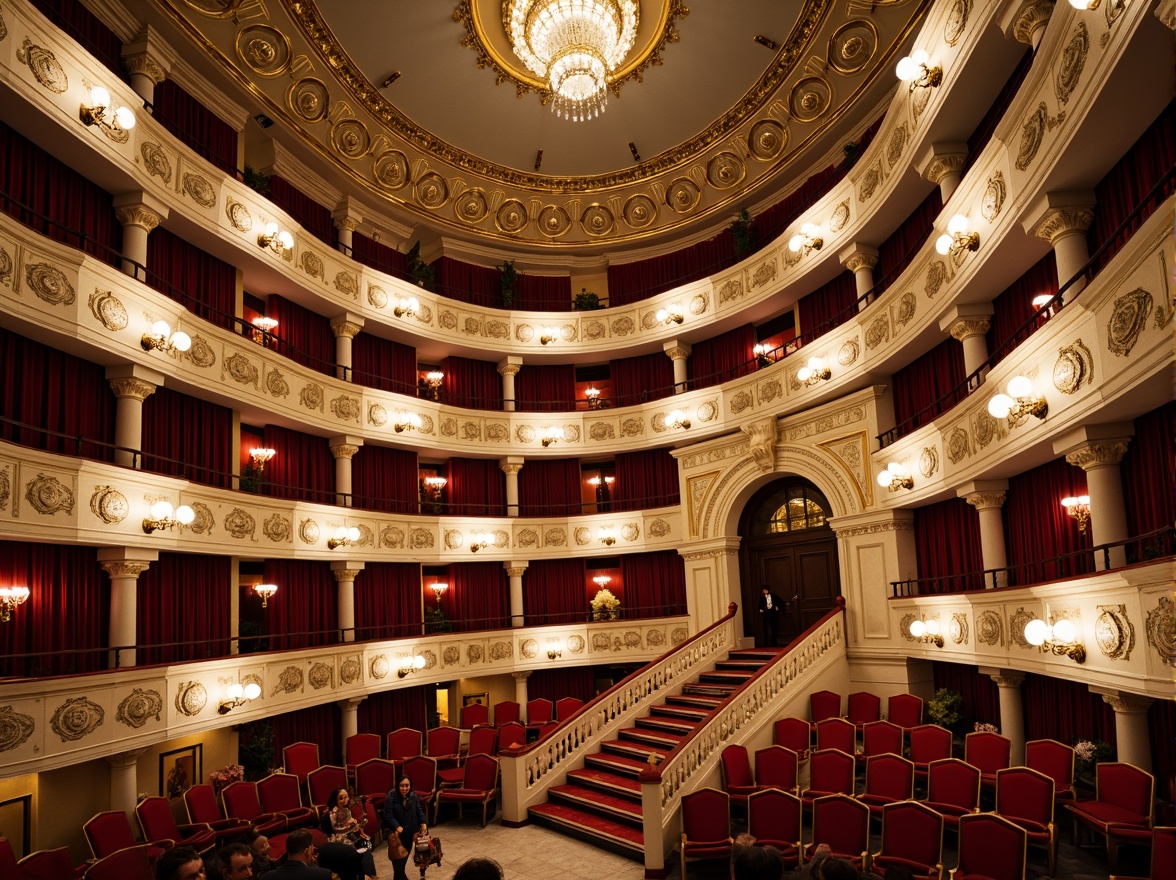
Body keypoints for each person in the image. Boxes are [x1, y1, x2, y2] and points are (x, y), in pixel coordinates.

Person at [326, 787, 378, 880]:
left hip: (351, 835)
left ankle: (370, 875)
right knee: (357, 853)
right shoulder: (333, 812)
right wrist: (350, 825)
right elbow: (336, 828)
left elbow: (352, 826)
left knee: (366, 850)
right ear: (335, 799)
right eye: (341, 798)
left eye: (346, 797)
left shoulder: (347, 810)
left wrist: (356, 826)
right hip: (339, 838)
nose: (344, 800)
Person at [383, 774, 427, 880]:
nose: (404, 788)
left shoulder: (413, 795)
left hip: (410, 833)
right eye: (402, 786)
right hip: (397, 835)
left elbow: (419, 810)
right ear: (397, 786)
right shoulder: (390, 796)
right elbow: (388, 815)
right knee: (398, 866)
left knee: (401, 865)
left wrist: (423, 822)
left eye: (407, 785)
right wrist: (396, 826)